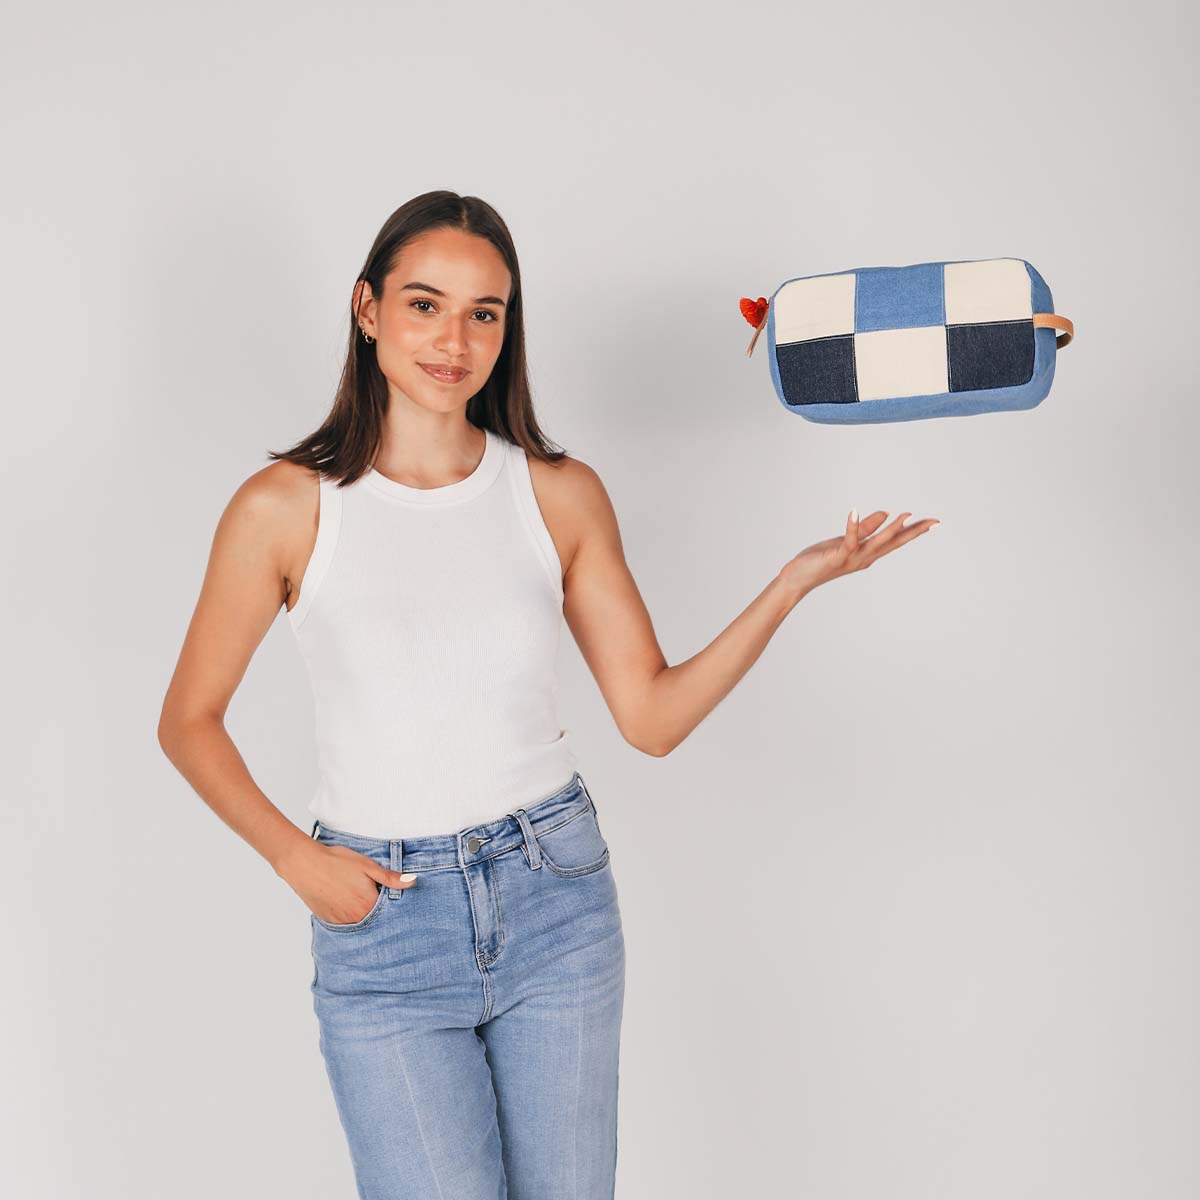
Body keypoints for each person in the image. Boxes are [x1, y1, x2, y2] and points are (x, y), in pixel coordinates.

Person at [156, 190, 939, 1199]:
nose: (455, 341)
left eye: (484, 313)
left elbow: (651, 718)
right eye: (425, 305)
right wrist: (296, 860)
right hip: (386, 927)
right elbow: (189, 720)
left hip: (554, 901)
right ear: (367, 309)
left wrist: (793, 582)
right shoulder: (284, 508)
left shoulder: (557, 494)